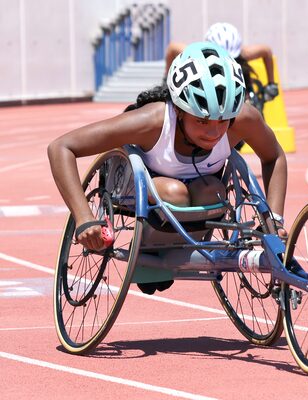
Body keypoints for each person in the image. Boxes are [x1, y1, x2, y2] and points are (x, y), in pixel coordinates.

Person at [48, 42, 287, 293]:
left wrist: (274, 219)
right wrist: (84, 218)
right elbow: (61, 148)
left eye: (223, 121)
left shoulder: (243, 120)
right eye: (202, 121)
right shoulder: (151, 122)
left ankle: (172, 252)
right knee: (175, 192)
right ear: (180, 111)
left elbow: (274, 156)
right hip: (137, 186)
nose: (214, 132)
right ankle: (151, 252)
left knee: (213, 190)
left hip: (201, 191)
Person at [164, 22, 279, 101]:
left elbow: (266, 51)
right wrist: (166, 80)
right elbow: (172, 48)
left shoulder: (244, 54)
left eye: (231, 58)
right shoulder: (197, 54)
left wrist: (271, 84)